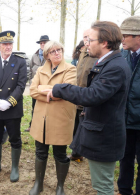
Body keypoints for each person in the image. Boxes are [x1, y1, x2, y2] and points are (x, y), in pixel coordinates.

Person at [44, 21, 131, 195]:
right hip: (101, 134)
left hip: (105, 137)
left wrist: (59, 88)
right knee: (101, 184)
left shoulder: (115, 67)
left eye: (90, 40)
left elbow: (92, 95)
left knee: (103, 186)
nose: (86, 44)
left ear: (104, 43)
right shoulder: (108, 62)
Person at [28, 40, 76, 195]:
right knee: (40, 152)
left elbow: (66, 91)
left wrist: (44, 89)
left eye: (59, 50)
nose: (57, 53)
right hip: (41, 119)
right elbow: (33, 91)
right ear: (47, 55)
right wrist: (52, 92)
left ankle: (60, 186)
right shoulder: (41, 70)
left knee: (60, 154)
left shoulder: (71, 69)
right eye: (53, 51)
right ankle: (38, 184)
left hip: (60, 119)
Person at [0, 30, 27, 182]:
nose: (8, 47)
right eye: (5, 44)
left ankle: (14, 167)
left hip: (13, 109)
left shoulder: (20, 62)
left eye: (10, 44)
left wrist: (9, 101)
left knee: (15, 138)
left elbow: (21, 85)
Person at [117, 15, 140, 195]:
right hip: (124, 119)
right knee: (125, 158)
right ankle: (124, 190)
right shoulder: (122, 54)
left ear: (138, 37)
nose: (121, 39)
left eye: (125, 35)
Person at [68, 29, 98, 162]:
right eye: (84, 37)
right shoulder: (82, 53)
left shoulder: (96, 55)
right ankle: (76, 153)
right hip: (77, 97)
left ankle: (83, 153)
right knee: (75, 127)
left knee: (84, 128)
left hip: (87, 98)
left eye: (88, 37)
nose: (86, 40)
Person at [25, 35, 49, 132]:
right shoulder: (34, 56)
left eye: (44, 43)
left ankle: (44, 126)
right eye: (41, 43)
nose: (43, 44)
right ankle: (33, 125)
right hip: (35, 86)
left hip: (46, 86)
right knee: (34, 106)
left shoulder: (49, 55)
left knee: (45, 107)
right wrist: (31, 82)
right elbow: (30, 69)